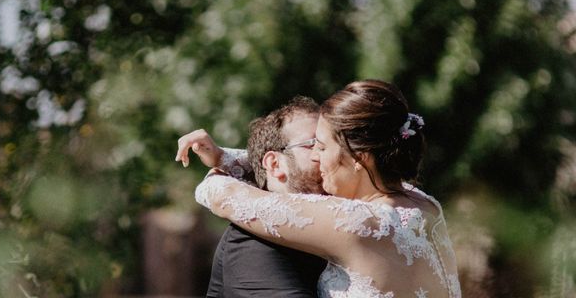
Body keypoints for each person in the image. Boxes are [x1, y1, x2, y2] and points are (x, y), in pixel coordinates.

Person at [190, 80, 461, 298]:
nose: (317, 157)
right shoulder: (424, 206)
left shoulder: (353, 223)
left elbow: (221, 196)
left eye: (321, 146)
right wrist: (232, 158)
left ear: (359, 157)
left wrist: (218, 171)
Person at [176, 96, 327, 297]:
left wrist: (223, 158)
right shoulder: (252, 245)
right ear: (274, 164)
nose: (329, 155)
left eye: (329, 145)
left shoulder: (349, 213)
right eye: (313, 144)